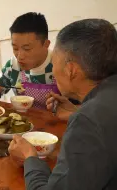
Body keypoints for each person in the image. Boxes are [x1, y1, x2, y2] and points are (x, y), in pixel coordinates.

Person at [8, 19, 117, 189]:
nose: (53, 68)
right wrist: (77, 110)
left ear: (71, 70)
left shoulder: (88, 121)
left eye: (55, 60)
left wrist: (30, 157)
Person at [0, 12, 57, 109]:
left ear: (46, 44)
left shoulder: (59, 65)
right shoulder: (13, 66)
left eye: (27, 49)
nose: (20, 57)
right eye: (15, 48)